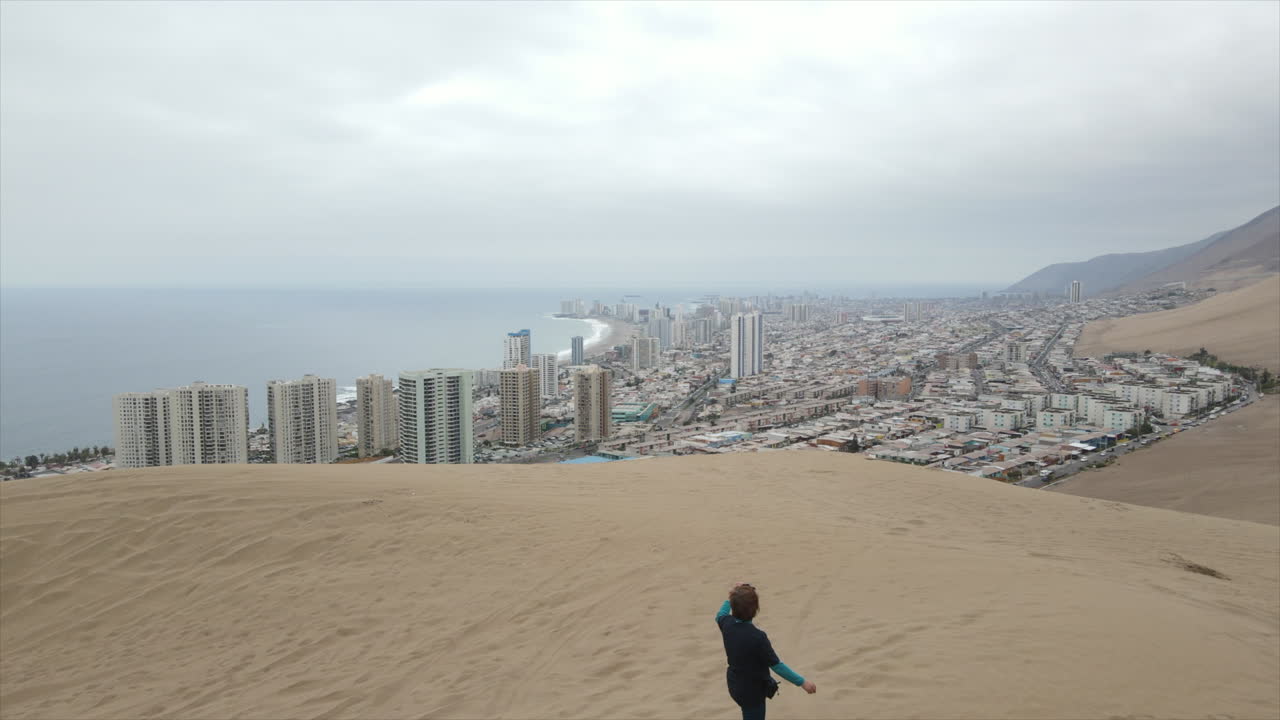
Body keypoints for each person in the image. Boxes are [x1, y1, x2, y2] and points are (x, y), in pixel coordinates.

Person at [715, 582, 816, 720]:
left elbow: (720, 615)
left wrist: (730, 596)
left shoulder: (727, 624)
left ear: (733, 607)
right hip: (752, 692)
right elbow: (777, 666)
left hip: (734, 684)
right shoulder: (758, 637)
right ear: (756, 609)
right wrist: (802, 682)